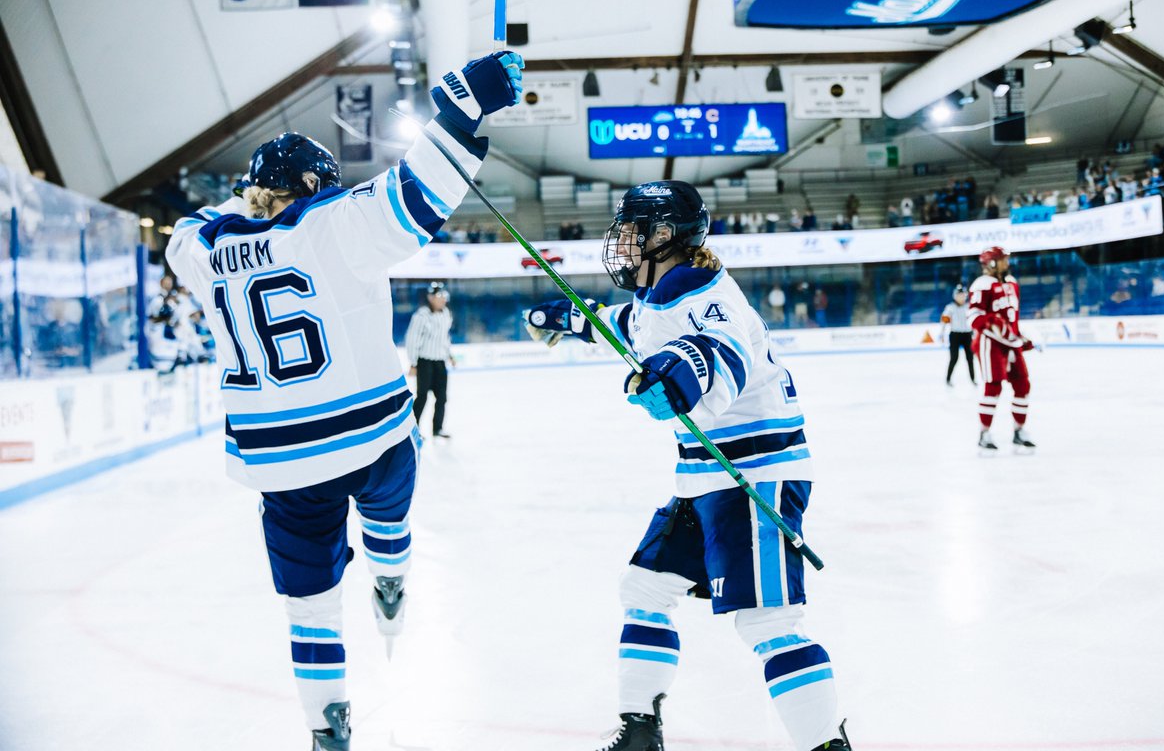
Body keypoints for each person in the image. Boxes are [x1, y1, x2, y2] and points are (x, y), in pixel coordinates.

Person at [165, 50, 523, 750]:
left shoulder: (199, 254)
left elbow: (195, 228)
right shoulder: (332, 227)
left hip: (281, 464)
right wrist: (463, 111)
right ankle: (390, 575)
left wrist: (250, 200)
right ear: (310, 185)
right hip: (373, 439)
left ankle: (327, 731)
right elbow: (420, 193)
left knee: (310, 608)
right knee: (389, 512)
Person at [523, 181, 851, 751]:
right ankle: (639, 735)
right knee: (644, 589)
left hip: (755, 478)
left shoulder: (705, 294)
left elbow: (719, 352)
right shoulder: (663, 297)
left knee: (768, 624)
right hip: (708, 478)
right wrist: (566, 318)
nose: (620, 243)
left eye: (631, 231)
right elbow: (626, 326)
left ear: (665, 236)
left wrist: (676, 378)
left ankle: (826, 747)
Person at [969, 246, 1035, 452]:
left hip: (1011, 344)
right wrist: (992, 323)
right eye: (1003, 259)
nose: (1007, 263)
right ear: (991, 262)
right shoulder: (982, 284)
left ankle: (1019, 430)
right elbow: (974, 317)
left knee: (1022, 385)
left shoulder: (1012, 283)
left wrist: (1017, 335)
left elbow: (1011, 317)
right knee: (993, 387)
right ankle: (984, 432)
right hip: (990, 344)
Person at [405, 281, 455, 440]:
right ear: (431, 297)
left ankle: (437, 429)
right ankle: (413, 429)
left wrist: (450, 355)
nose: (443, 299)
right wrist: (413, 363)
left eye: (444, 296)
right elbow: (412, 339)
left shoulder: (446, 314)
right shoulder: (421, 315)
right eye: (440, 296)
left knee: (442, 397)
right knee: (422, 397)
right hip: (425, 361)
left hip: (440, 361)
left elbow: (445, 338)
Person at [939, 284, 975, 387]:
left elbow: (974, 321)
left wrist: (976, 333)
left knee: (970, 358)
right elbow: (944, 321)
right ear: (955, 296)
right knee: (954, 358)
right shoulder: (950, 308)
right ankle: (948, 379)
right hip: (955, 335)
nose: (961, 297)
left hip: (967, 335)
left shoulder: (969, 307)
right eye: (959, 295)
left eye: (963, 295)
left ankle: (973, 379)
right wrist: (942, 333)